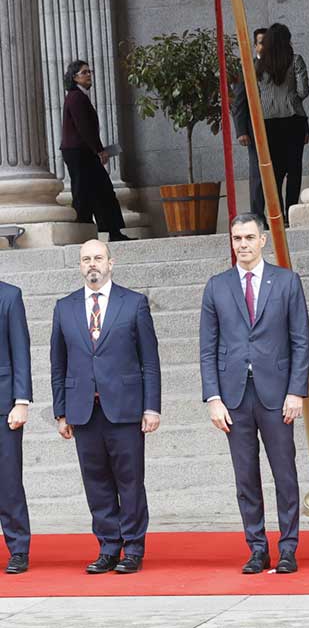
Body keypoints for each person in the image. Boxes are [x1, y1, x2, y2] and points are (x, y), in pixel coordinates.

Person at [199, 213, 309, 574]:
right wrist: (213, 397)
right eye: (236, 239)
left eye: (249, 237)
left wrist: (297, 391)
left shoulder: (287, 281)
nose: (242, 245)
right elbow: (207, 348)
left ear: (263, 240)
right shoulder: (216, 286)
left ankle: (288, 547)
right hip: (234, 397)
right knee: (245, 476)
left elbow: (300, 341)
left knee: (285, 473)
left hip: (277, 394)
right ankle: (257, 548)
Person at [50, 239, 161, 574]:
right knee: (96, 482)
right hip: (84, 410)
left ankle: (134, 548)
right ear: (80, 265)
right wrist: (61, 411)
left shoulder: (134, 303)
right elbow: (58, 363)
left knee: (129, 481)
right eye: (86, 259)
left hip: (125, 408)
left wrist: (151, 407)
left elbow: (150, 361)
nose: (92, 264)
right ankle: (108, 547)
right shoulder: (65, 307)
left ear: (111, 263)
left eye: (98, 258)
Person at [59, 60, 129, 242]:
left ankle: (109, 231)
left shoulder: (79, 96)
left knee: (96, 190)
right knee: (90, 190)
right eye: (84, 72)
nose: (89, 75)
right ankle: (91, 232)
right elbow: (84, 127)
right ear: (74, 77)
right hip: (78, 152)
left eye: (90, 71)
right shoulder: (75, 97)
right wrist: (99, 150)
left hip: (80, 151)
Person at [256, 23, 309, 223]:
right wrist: (290, 97)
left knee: (275, 171)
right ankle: (292, 213)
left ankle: (278, 217)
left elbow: (254, 95)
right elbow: (304, 91)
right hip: (293, 119)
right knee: (294, 169)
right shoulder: (295, 60)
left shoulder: (258, 65)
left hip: (268, 122)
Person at [0, 281, 31, 574]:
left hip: (3, 406)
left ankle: (19, 548)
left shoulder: (9, 295)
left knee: (8, 482)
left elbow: (20, 349)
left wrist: (22, 400)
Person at [232, 27, 268, 221]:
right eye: (261, 42)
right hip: (255, 130)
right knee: (257, 173)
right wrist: (241, 131)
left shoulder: (279, 67)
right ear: (255, 45)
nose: (265, 46)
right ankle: (257, 216)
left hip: (277, 127)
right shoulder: (247, 68)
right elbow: (238, 101)